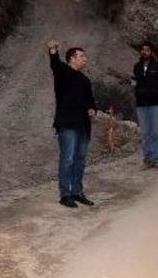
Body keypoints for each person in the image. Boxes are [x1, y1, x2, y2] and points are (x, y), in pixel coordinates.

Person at [47, 39, 97, 208]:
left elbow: (91, 101)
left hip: (83, 125)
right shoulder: (63, 72)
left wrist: (92, 109)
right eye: (81, 56)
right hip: (67, 123)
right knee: (67, 159)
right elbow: (54, 63)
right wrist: (53, 49)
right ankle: (65, 194)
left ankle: (77, 191)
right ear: (72, 58)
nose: (85, 59)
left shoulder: (85, 79)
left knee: (80, 160)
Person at [131, 42, 158, 168]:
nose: (144, 52)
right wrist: (137, 94)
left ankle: (157, 158)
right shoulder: (136, 67)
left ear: (152, 52)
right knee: (145, 133)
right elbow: (133, 84)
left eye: (147, 50)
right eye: (142, 50)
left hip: (156, 104)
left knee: (156, 131)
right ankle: (147, 159)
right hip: (141, 104)